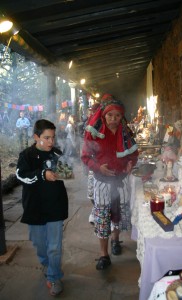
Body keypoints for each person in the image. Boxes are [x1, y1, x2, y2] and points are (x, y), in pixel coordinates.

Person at [81, 99, 138, 270]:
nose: (113, 118)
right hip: (102, 183)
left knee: (118, 214)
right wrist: (98, 167)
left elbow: (134, 154)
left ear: (121, 117)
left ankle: (115, 240)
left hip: (120, 181)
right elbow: (85, 157)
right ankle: (103, 255)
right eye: (110, 115)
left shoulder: (125, 134)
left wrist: (130, 163)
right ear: (104, 116)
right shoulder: (95, 134)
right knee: (102, 218)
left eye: (117, 115)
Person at [16, 119, 68, 296]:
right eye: (46, 138)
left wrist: (66, 170)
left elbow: (67, 172)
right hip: (34, 208)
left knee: (54, 246)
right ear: (36, 137)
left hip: (55, 207)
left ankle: (54, 277)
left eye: (53, 138)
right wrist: (42, 174)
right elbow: (21, 176)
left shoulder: (57, 153)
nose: (51, 142)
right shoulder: (26, 155)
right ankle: (47, 264)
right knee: (39, 244)